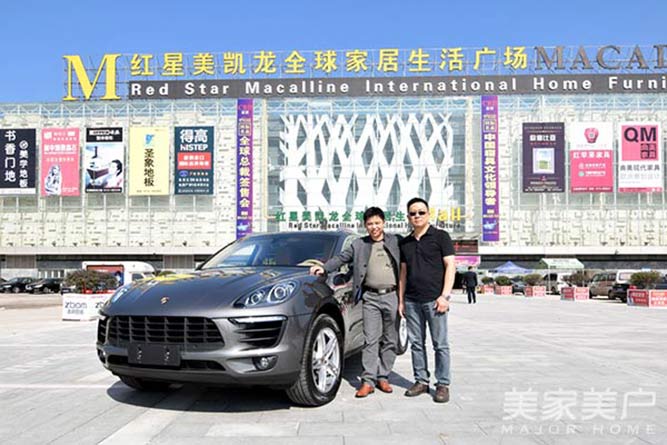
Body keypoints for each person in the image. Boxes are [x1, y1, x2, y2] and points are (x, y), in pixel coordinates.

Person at [310, 207, 401, 398]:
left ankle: (383, 376)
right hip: (370, 298)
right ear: (365, 225)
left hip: (392, 295)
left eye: (377, 223)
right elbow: (341, 258)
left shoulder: (395, 241)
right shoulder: (359, 244)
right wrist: (324, 268)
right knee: (370, 339)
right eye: (370, 224)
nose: (374, 227)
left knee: (391, 339)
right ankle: (368, 381)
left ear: (383, 223)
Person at [398, 197, 456, 403]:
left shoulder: (441, 237)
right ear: (408, 217)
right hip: (412, 301)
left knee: (440, 344)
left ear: (428, 214)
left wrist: (445, 296)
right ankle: (421, 380)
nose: (417, 216)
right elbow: (403, 273)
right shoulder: (405, 243)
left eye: (421, 212)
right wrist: (401, 301)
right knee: (416, 343)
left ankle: (443, 384)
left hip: (435, 301)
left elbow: (450, 266)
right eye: (413, 213)